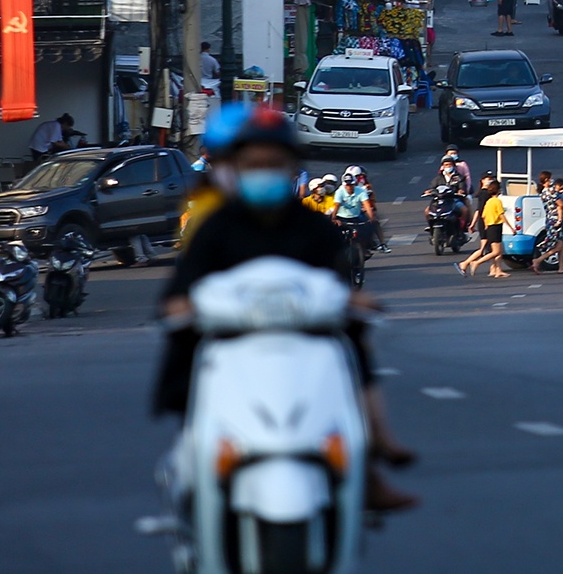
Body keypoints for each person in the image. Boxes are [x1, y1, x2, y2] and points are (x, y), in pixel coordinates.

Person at [153, 108, 417, 513]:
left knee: (355, 344)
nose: (264, 172)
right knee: (185, 346)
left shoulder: (314, 227)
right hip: (231, 341)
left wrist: (352, 301)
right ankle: (192, 450)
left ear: (292, 168)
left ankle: (371, 452)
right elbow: (181, 290)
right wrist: (183, 306)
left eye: (274, 164)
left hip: (303, 341)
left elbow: (340, 284)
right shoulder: (216, 226)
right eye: (254, 165)